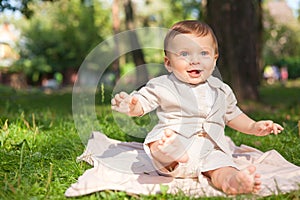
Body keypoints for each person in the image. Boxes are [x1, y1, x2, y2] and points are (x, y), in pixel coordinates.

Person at [111, 20, 284, 195]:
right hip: (174, 140)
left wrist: (253, 127)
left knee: (222, 168)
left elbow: (233, 115)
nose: (194, 60)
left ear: (214, 60)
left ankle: (233, 182)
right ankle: (172, 152)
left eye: (203, 53)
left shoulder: (221, 90)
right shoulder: (163, 85)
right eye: (184, 54)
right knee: (158, 143)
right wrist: (132, 105)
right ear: (168, 63)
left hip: (211, 148)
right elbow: (144, 100)